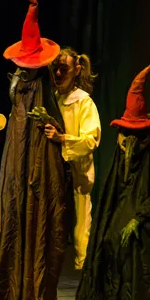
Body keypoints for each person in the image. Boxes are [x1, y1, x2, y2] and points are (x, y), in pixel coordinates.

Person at [0, 0, 74, 300]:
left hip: (41, 171)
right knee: (14, 224)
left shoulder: (43, 93)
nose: (22, 72)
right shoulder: (21, 92)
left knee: (39, 228)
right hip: (17, 165)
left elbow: (60, 133)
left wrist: (56, 136)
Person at [68, 61, 150, 300]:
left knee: (133, 258)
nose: (128, 141)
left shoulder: (149, 158)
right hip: (116, 225)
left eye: (135, 135)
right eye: (124, 134)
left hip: (142, 227)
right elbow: (112, 198)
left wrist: (138, 219)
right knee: (106, 252)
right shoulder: (118, 159)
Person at [45, 47, 101, 269]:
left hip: (77, 175)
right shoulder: (51, 99)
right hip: (53, 174)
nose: (59, 73)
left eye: (64, 69)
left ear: (77, 70)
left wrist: (62, 139)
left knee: (80, 230)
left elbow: (91, 140)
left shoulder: (84, 102)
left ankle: (84, 271)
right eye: (55, 69)